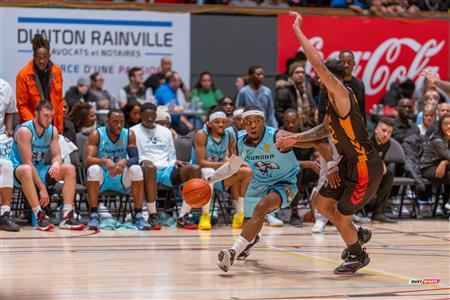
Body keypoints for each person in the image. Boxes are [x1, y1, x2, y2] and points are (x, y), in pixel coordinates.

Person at [276, 12, 383, 275]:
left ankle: (357, 254)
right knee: (322, 204)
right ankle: (357, 234)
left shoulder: (341, 93)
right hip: (348, 164)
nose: (316, 77)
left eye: (320, 76)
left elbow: (318, 64)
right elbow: (325, 129)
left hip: (364, 169)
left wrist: (298, 30)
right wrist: (295, 139)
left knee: (342, 216)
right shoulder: (331, 106)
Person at [217, 106, 310, 272]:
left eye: (256, 121)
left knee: (261, 208)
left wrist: (330, 163)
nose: (253, 126)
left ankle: (232, 252)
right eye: (248, 122)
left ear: (263, 122)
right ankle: (251, 240)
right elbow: (232, 167)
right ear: (243, 124)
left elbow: (315, 141)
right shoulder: (238, 142)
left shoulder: (277, 136)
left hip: (285, 183)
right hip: (259, 183)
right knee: (249, 222)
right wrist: (208, 180)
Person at [10, 100, 84, 231]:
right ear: (36, 114)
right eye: (45, 116)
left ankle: (67, 216)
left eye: (51, 116)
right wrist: (42, 188)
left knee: (69, 169)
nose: (49, 120)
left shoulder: (52, 130)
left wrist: (56, 162)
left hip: (39, 170)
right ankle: (39, 217)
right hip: (18, 172)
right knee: (27, 169)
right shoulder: (25, 131)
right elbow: (27, 162)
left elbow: (56, 155)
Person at [131, 103, 202, 230]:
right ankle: (153, 215)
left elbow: (171, 154)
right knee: (151, 168)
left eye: (152, 115)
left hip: (166, 170)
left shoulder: (165, 131)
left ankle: (183, 215)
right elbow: (130, 154)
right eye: (146, 115)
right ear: (141, 115)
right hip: (146, 170)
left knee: (194, 169)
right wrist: (142, 161)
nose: (150, 118)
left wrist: (175, 161)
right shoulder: (132, 131)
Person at [84, 109, 150, 230]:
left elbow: (135, 158)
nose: (119, 125)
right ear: (108, 121)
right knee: (93, 169)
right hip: (102, 178)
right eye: (115, 122)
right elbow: (87, 160)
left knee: (136, 169)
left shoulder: (129, 134)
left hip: (120, 179)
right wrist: (104, 161)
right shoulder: (97, 134)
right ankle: (94, 214)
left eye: (121, 122)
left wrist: (126, 161)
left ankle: (139, 215)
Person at [190, 106, 253, 230]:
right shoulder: (201, 134)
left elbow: (229, 158)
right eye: (217, 122)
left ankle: (239, 214)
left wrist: (238, 163)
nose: (221, 124)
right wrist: (229, 165)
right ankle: (205, 215)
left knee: (247, 171)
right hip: (199, 176)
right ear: (209, 124)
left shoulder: (229, 135)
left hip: (219, 176)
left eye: (223, 122)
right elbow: (202, 162)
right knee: (209, 170)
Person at [16, 33, 64, 133]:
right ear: (34, 56)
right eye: (38, 57)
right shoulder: (23, 75)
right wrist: (35, 126)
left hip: (53, 125)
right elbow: (22, 106)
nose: (41, 61)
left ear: (49, 56)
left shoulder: (56, 71)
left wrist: (58, 129)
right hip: (31, 127)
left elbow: (59, 102)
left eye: (45, 57)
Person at [283, 109, 320, 226]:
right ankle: (294, 214)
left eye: (293, 121)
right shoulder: (279, 136)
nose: (291, 125)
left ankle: (328, 211)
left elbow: (316, 152)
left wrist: (320, 159)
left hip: (306, 173)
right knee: (296, 171)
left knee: (328, 169)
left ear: (299, 120)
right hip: (285, 174)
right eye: (287, 122)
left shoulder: (306, 134)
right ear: (283, 122)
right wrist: (308, 164)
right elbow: (286, 163)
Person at [367, 118, 397, 223]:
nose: (386, 135)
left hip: (375, 173)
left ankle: (379, 213)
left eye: (389, 132)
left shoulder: (386, 144)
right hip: (360, 171)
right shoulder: (367, 141)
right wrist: (379, 164)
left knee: (389, 175)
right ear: (376, 130)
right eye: (384, 131)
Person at [0, 79, 20, 231]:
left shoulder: (5, 87)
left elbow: (10, 112)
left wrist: (9, 129)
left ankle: (4, 213)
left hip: (1, 136)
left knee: (7, 165)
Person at [420, 114, 450, 206]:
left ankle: (448, 204)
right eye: (445, 124)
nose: (449, 126)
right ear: (440, 127)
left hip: (441, 165)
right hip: (428, 167)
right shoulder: (437, 140)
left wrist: (444, 162)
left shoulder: (447, 138)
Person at [275, 63, 315, 127]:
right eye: (297, 72)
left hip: (307, 127)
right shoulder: (283, 91)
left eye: (302, 72)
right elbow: (278, 113)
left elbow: (313, 108)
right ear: (291, 75)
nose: (300, 75)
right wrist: (290, 124)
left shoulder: (308, 88)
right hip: (289, 128)